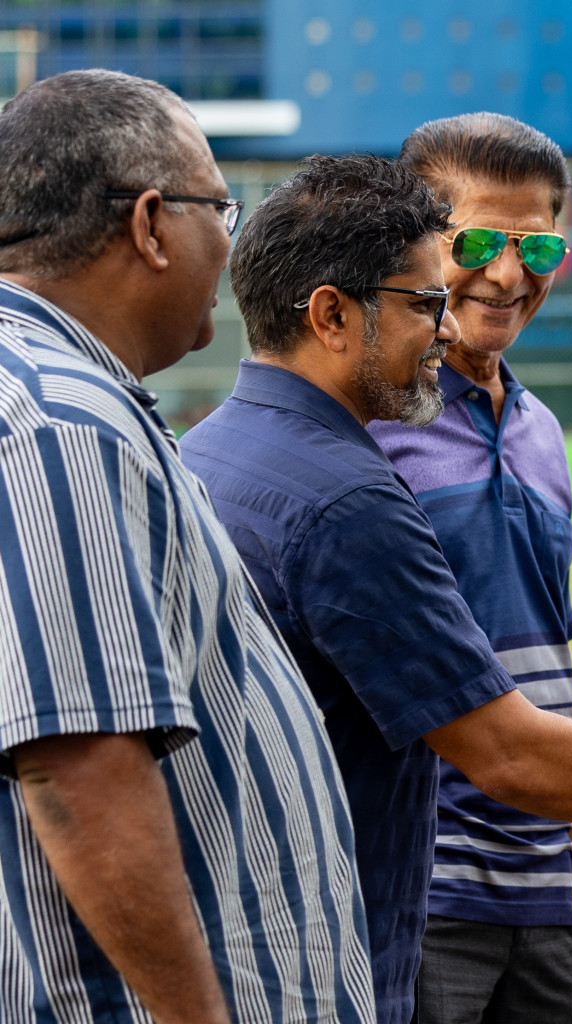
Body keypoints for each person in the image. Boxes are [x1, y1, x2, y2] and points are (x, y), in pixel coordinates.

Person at [180, 153, 572, 1024]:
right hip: (386, 915)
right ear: (334, 313)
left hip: (486, 901)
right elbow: (507, 747)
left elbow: (541, 696)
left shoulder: (209, 452)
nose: (460, 309)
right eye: (427, 296)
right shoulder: (353, 484)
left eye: (539, 248)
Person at [0, 70, 372, 1023]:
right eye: (224, 209)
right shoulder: (57, 420)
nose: (229, 241)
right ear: (152, 224)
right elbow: (79, 766)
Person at [362, 113, 572, 1024]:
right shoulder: (361, 423)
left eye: (539, 247)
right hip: (415, 900)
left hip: (538, 909)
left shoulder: (541, 434)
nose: (506, 272)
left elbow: (548, 692)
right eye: (478, 240)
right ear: (414, 243)